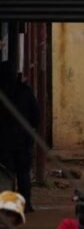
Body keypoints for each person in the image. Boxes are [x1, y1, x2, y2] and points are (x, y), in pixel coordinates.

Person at [0, 62, 39, 213]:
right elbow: (36, 116)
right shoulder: (25, 91)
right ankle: (26, 204)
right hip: (23, 141)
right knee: (23, 174)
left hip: (4, 142)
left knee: (6, 174)